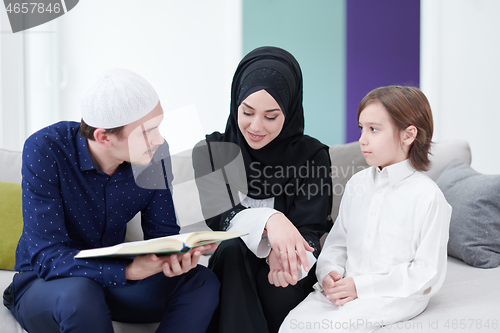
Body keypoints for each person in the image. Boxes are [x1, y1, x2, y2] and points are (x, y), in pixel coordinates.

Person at [3, 68, 219, 333]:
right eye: (147, 132)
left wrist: (176, 255)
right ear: (103, 137)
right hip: (49, 283)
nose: (159, 140)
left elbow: (163, 234)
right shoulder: (46, 149)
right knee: (80, 294)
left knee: (201, 281)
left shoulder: (154, 155)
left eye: (158, 127)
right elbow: (47, 257)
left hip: (114, 287)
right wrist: (127, 271)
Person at [279, 86, 452, 333]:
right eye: (361, 128)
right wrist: (329, 274)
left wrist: (361, 288)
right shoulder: (357, 185)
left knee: (334, 329)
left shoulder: (428, 197)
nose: (362, 139)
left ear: (408, 134)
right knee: (292, 325)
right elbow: (337, 244)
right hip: (344, 290)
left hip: (393, 295)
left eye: (374, 129)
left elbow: (426, 273)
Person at [192, 46, 333, 333]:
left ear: (290, 111)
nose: (256, 126)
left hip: (290, 266)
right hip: (231, 266)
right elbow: (222, 217)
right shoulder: (212, 151)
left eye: (271, 116)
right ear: (236, 104)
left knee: (279, 282)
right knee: (232, 249)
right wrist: (272, 220)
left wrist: (286, 256)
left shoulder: (313, 156)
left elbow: (311, 229)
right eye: (247, 112)